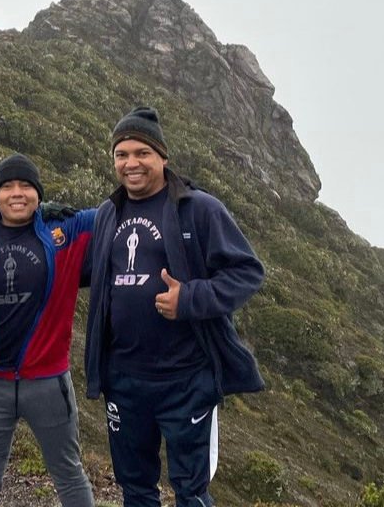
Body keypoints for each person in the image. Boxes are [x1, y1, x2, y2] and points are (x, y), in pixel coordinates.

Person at [84, 107, 265, 507]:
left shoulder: (199, 209)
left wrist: (190, 298)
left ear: (163, 157)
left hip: (185, 380)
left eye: (142, 153)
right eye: (121, 154)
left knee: (191, 489)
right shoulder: (107, 213)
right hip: (125, 381)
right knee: (135, 487)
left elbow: (247, 272)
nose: (131, 163)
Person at [0, 154, 96, 507]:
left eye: (26, 185)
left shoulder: (64, 231)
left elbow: (121, 210)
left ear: (39, 194)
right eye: (7, 186)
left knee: (68, 473)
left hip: (47, 382)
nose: (17, 193)